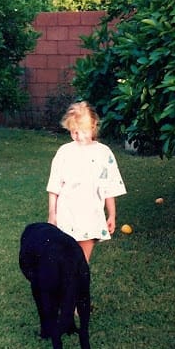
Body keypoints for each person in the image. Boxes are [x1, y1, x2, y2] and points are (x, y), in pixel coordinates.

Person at [46, 101, 127, 262]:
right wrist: (52, 214)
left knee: (82, 262)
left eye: (83, 131)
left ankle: (78, 285)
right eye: (74, 132)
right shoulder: (65, 152)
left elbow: (109, 187)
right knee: (64, 258)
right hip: (66, 215)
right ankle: (63, 285)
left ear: (93, 126)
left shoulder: (104, 153)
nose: (79, 136)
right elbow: (54, 185)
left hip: (91, 216)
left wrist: (112, 215)